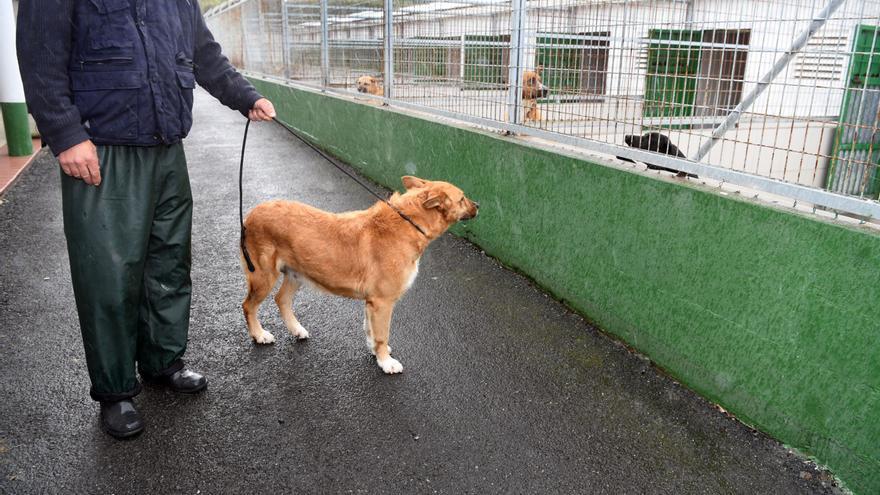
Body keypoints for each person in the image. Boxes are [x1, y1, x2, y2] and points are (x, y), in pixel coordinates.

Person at [16, 0, 276, 439]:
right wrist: (64, 134)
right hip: (103, 149)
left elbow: (203, 52)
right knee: (109, 275)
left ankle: (162, 362)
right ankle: (115, 391)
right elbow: (40, 56)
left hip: (167, 146)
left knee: (169, 262)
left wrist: (245, 96)